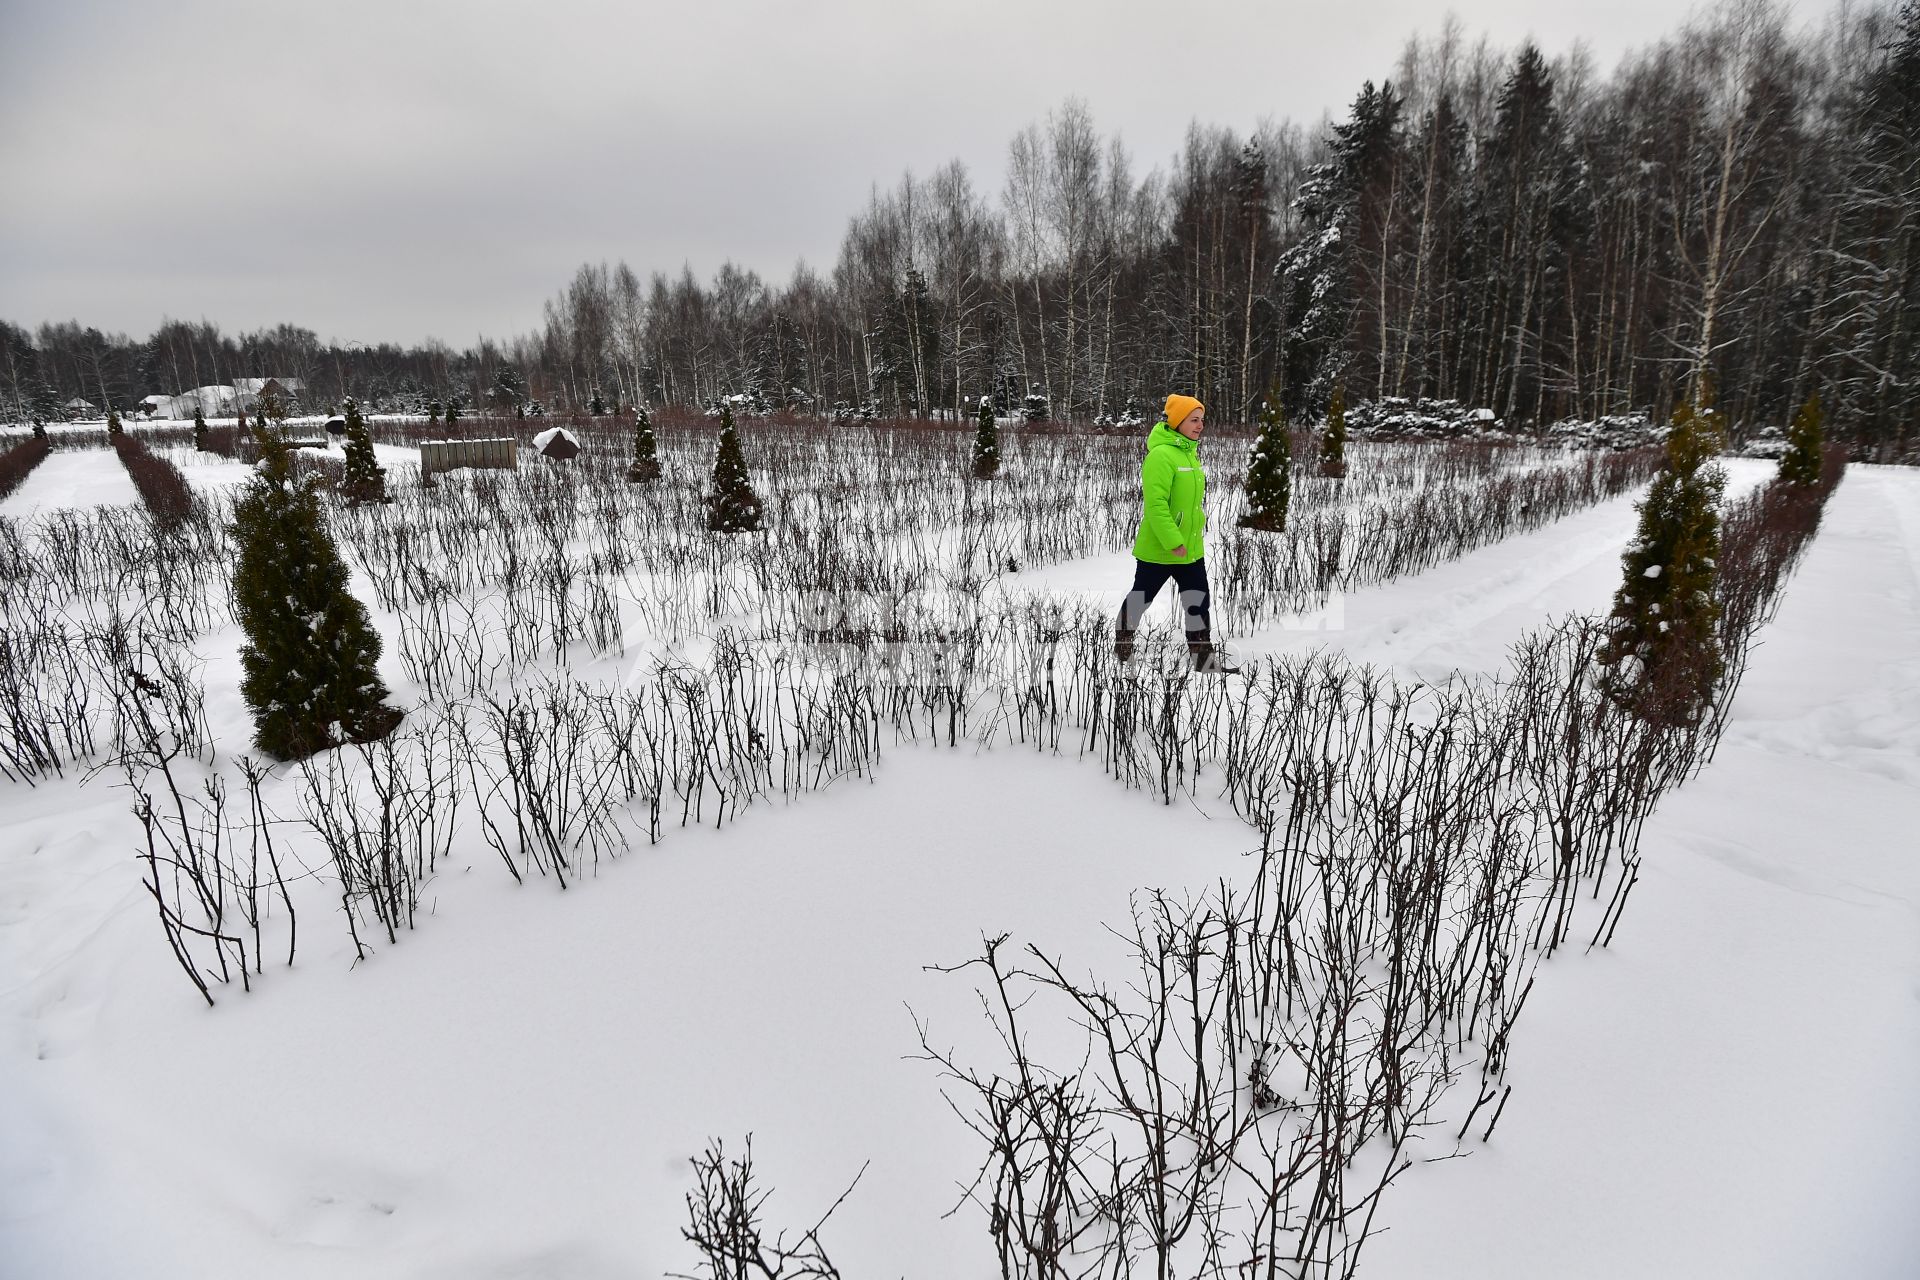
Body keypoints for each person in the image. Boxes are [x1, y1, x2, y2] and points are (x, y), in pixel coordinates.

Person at [1114, 394, 1240, 674]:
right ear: (1177, 421)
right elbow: (1156, 505)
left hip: (1190, 548)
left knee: (1198, 600)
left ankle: (1202, 659)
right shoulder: (1161, 455)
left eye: (1202, 420)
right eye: (1194, 420)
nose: (1200, 426)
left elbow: (1189, 502)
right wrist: (1173, 541)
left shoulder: (1188, 454)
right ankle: (1122, 639)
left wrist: (1193, 531)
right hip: (1160, 548)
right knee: (1142, 597)